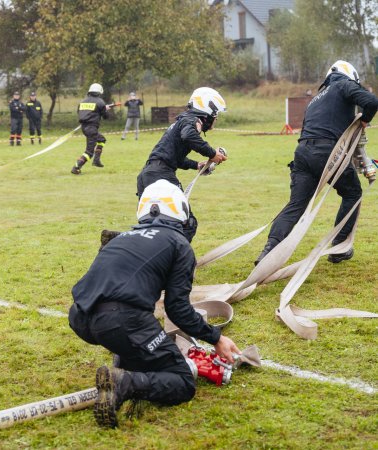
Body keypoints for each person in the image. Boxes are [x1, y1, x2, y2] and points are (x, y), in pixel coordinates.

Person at [69, 179, 240, 429]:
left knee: (131, 333)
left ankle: (126, 364)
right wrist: (216, 338)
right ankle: (123, 382)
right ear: (180, 209)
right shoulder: (178, 243)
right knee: (182, 382)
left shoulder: (120, 237)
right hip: (120, 321)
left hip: (80, 317)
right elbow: (178, 309)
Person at [255, 60, 378, 266]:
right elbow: (372, 102)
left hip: (302, 154)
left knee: (296, 205)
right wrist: (365, 120)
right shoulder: (343, 84)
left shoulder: (315, 100)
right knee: (352, 193)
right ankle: (339, 248)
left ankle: (268, 250)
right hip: (327, 151)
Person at [136, 87, 228, 242]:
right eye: (216, 114)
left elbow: (174, 158)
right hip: (161, 175)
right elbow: (188, 136)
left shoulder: (183, 120)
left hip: (148, 175)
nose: (216, 118)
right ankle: (177, 261)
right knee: (186, 222)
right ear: (208, 111)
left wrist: (197, 165)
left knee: (150, 227)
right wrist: (212, 154)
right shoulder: (193, 121)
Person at [71, 83, 110, 175]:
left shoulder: (82, 102)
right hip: (92, 128)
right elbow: (106, 117)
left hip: (84, 128)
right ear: (99, 92)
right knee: (89, 152)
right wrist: (105, 109)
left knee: (101, 139)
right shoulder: (100, 102)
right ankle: (76, 167)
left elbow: (81, 113)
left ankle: (96, 161)